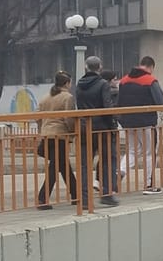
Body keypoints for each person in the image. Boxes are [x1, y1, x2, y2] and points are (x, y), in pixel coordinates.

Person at [73, 56, 119, 207]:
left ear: (86, 67)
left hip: (84, 127)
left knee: (85, 164)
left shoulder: (79, 84)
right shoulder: (103, 84)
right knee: (108, 160)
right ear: (100, 67)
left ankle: (84, 199)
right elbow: (107, 108)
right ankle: (107, 194)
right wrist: (112, 124)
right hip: (102, 128)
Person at [117, 56, 163, 194]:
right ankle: (149, 185)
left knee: (132, 150)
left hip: (127, 123)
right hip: (146, 123)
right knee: (150, 152)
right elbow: (161, 101)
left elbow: (118, 102)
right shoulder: (150, 80)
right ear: (151, 67)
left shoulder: (123, 81)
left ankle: (119, 171)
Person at [34, 73, 79, 209]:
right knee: (55, 167)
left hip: (47, 135)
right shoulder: (68, 97)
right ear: (67, 83)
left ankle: (76, 194)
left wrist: (41, 131)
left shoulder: (45, 97)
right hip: (60, 135)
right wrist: (73, 132)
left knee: (63, 165)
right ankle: (42, 199)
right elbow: (68, 118)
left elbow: (37, 117)